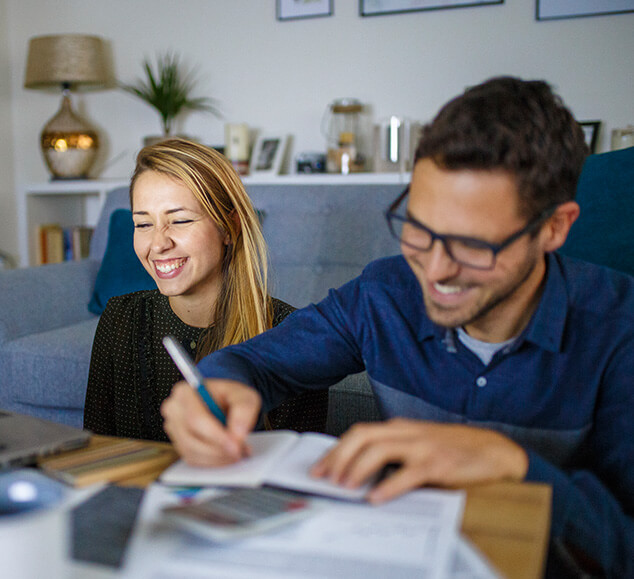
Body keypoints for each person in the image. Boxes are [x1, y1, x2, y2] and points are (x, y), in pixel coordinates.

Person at [161, 79, 634, 576]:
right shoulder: (384, 294)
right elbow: (254, 362)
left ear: (554, 228)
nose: (434, 270)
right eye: (418, 228)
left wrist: (513, 464)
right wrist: (217, 386)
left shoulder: (619, 332)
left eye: (473, 245)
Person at [84, 138, 328, 441]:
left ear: (229, 227)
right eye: (143, 224)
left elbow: (294, 471)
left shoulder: (290, 336)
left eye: (181, 220)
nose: (158, 244)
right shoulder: (120, 319)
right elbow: (96, 450)